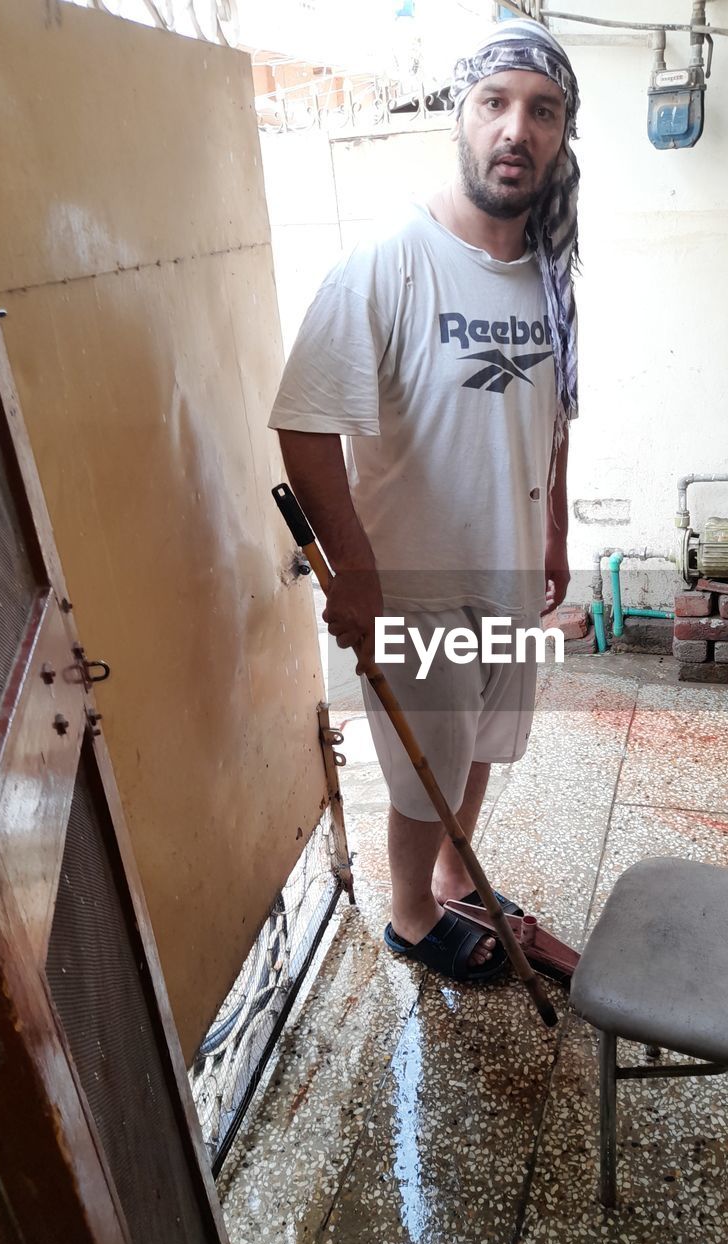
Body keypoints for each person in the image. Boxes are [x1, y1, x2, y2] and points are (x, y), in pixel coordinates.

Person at [268, 18, 580, 977]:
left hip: (509, 566)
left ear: (564, 133)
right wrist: (356, 574)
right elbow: (306, 424)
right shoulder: (390, 261)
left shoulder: (553, 272)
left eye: (543, 110)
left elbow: (555, 419)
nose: (515, 130)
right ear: (463, 116)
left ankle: (456, 880)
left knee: (482, 743)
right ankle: (410, 915)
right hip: (415, 583)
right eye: (495, 104)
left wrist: (555, 538)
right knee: (423, 772)